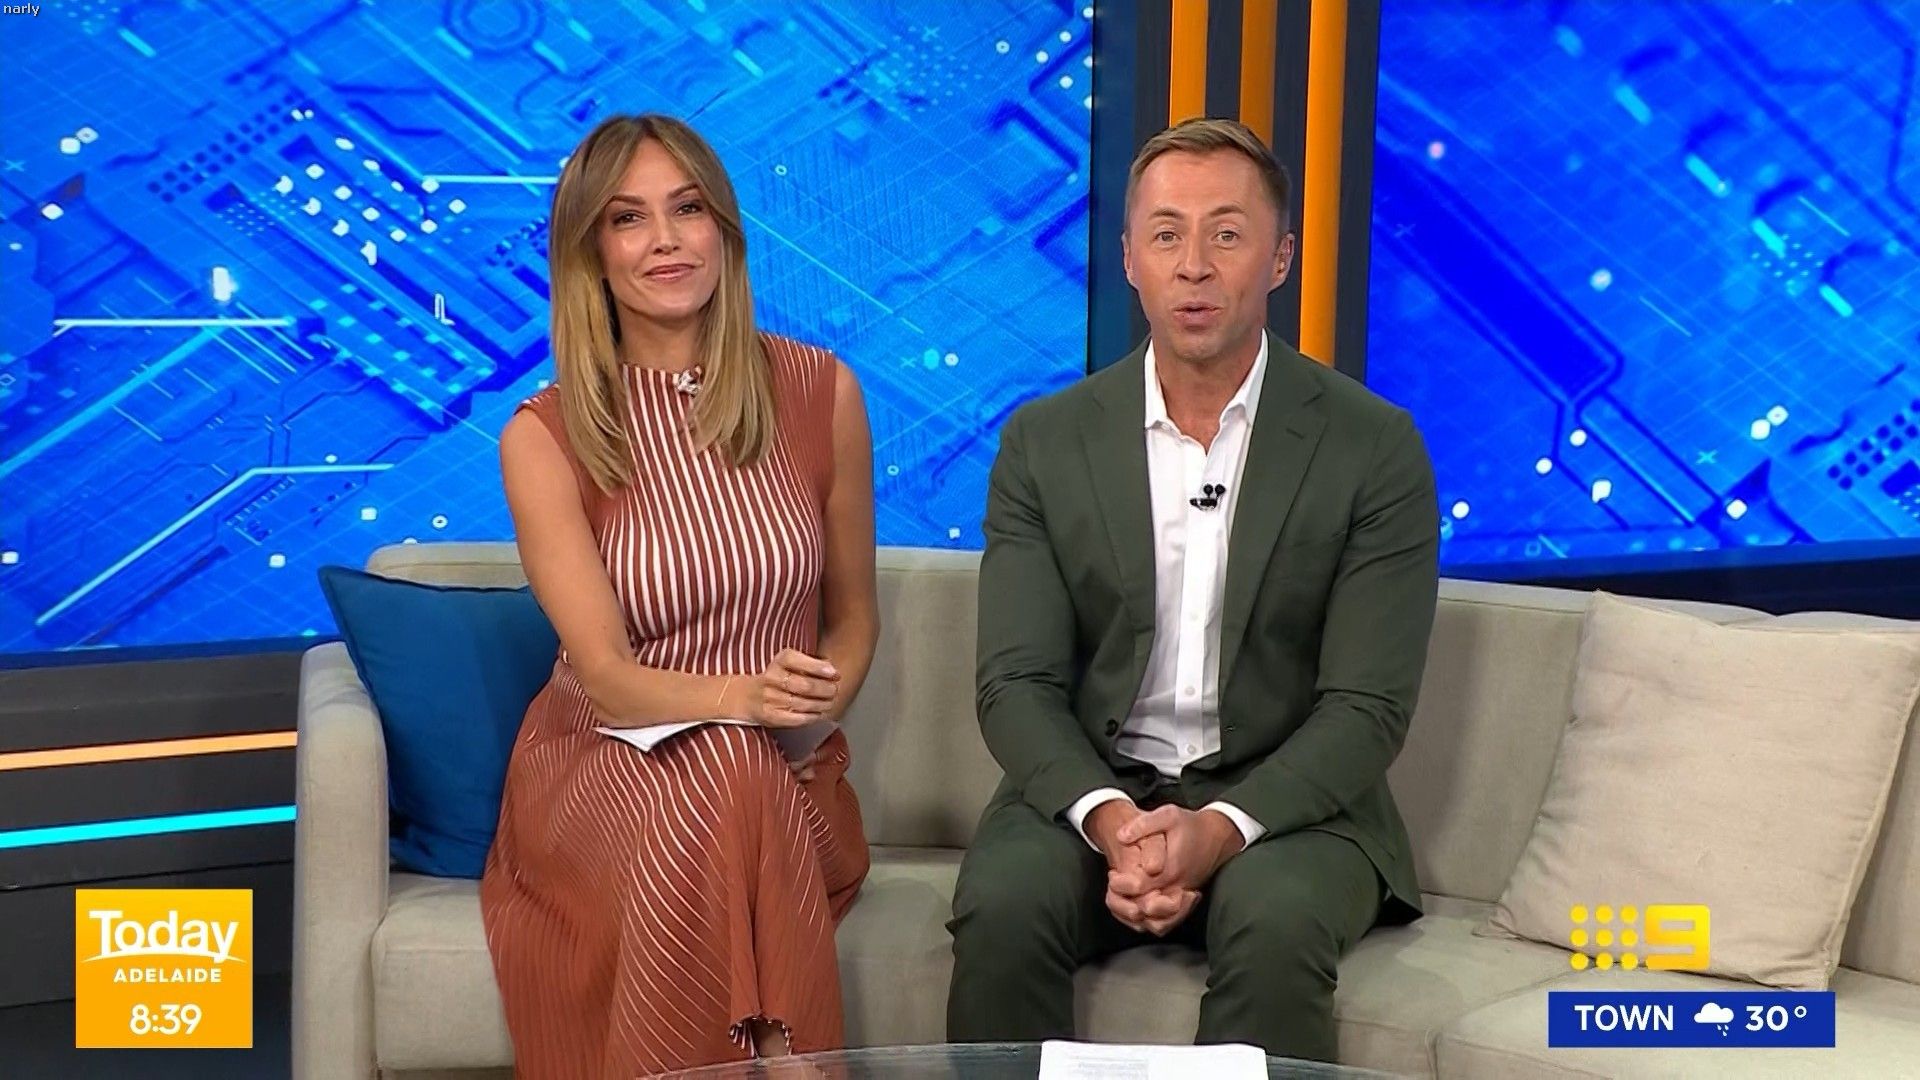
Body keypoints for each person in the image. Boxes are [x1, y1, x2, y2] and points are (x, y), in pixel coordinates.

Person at [946, 117, 1440, 1061]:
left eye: (1228, 233)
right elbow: (1015, 684)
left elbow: (1367, 707)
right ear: (1130, 258)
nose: (1195, 266)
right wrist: (1113, 822)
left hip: (1292, 809)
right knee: (1003, 903)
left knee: (1277, 924)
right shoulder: (1045, 444)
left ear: (1280, 258)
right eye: (1167, 234)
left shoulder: (1373, 448)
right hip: (1096, 789)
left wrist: (1219, 828)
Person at [481, 113, 876, 1077]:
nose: (665, 240)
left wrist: (806, 715)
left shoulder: (821, 391)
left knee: (737, 769)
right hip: (604, 772)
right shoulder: (546, 435)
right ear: (591, 254)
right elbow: (608, 680)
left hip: (782, 776)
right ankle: (789, 1061)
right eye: (628, 219)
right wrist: (745, 705)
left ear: (723, 230)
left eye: (687, 209)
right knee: (727, 763)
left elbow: (853, 620)